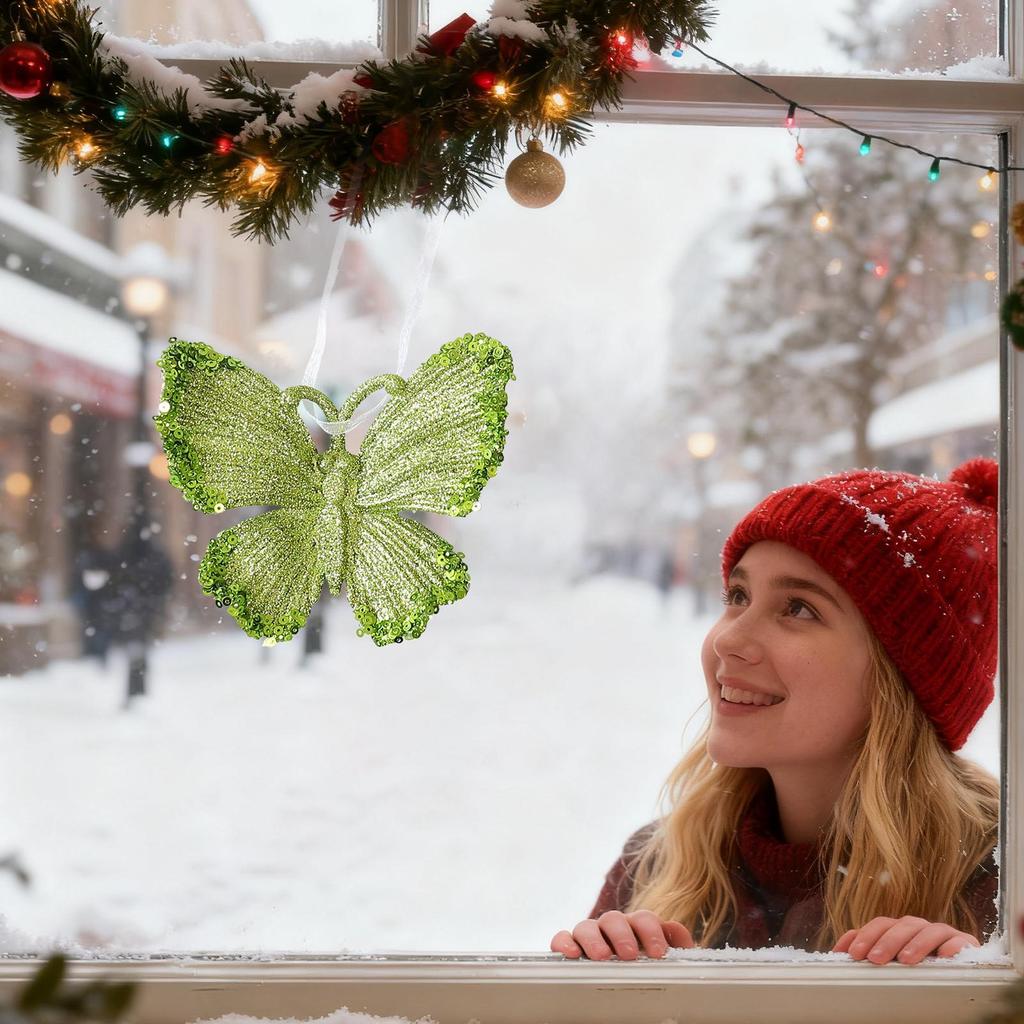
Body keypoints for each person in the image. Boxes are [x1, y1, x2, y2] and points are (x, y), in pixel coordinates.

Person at [550, 458, 1000, 965]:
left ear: (905, 674)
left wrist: (974, 998)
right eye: (738, 596)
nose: (728, 639)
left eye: (798, 609)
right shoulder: (656, 868)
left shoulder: (1004, 886)